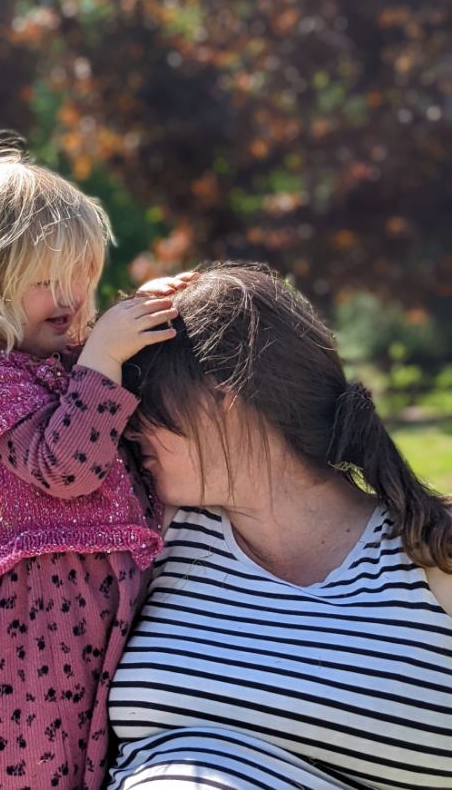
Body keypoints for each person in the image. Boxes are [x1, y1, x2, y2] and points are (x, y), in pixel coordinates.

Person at [0, 131, 189, 790]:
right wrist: (105, 355)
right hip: (29, 638)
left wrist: (145, 314)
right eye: (47, 280)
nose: (71, 296)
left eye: (83, 274)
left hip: (105, 618)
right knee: (29, 770)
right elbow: (65, 467)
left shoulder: (75, 363)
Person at [107, 262, 452, 790]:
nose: (128, 427)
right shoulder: (157, 533)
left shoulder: (432, 553)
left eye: (146, 399)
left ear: (222, 395)